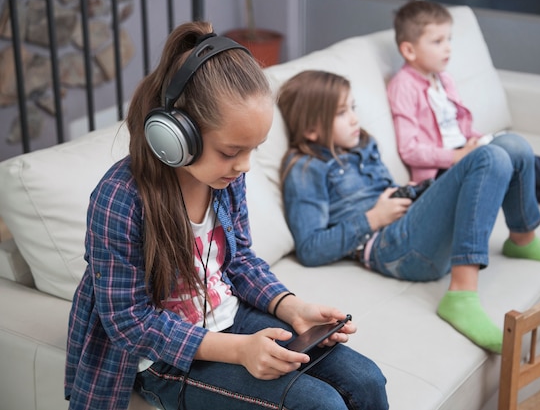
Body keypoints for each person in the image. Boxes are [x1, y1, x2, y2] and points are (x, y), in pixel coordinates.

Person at [64, 22, 388, 410]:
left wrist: (291, 307)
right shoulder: (121, 198)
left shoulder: (224, 178)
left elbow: (241, 261)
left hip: (231, 319)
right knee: (320, 405)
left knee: (366, 380)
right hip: (161, 357)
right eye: (232, 151)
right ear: (178, 133)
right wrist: (239, 351)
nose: (244, 166)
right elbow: (129, 322)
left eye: (253, 150)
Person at [278, 70, 540, 354]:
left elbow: (384, 187)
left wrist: (412, 193)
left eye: (353, 107)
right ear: (311, 129)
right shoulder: (306, 169)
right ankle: (461, 294)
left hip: (409, 223)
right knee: (489, 158)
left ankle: (523, 238)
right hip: (388, 247)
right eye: (342, 113)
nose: (355, 119)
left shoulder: (362, 142)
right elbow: (310, 248)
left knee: (512, 145)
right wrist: (374, 218)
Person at [387, 0, 540, 230]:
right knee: (522, 165)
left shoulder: (443, 78)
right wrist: (456, 156)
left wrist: (474, 138)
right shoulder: (403, 86)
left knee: (521, 172)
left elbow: (459, 123)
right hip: (440, 172)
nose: (448, 47)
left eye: (449, 39)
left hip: (463, 151)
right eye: (437, 41)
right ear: (409, 50)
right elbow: (409, 149)